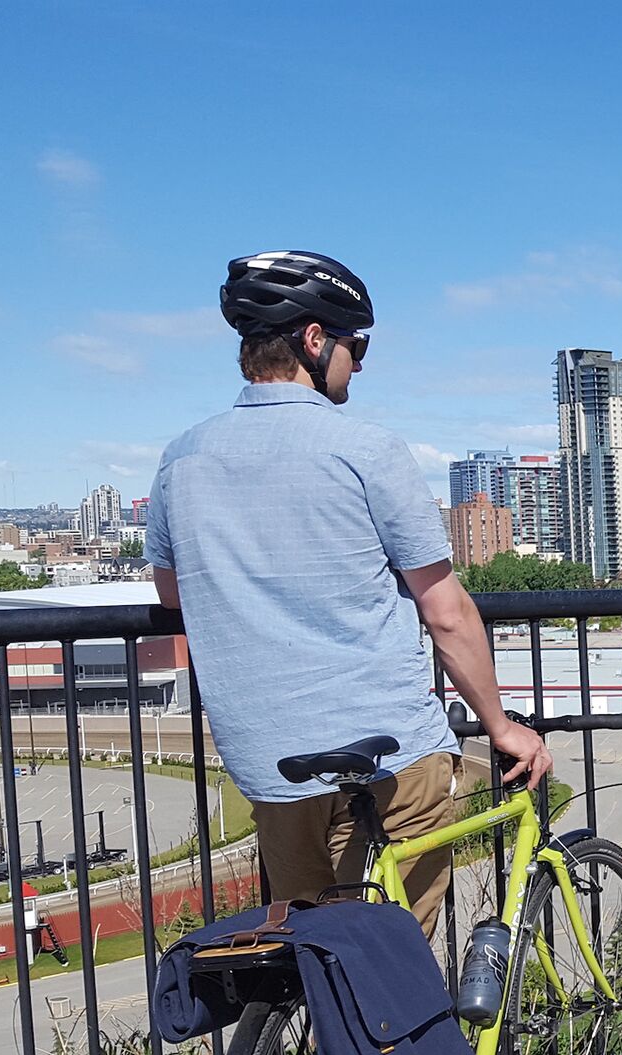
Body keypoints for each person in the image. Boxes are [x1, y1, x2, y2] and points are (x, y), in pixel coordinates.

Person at [146, 250, 550, 940]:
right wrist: (500, 726)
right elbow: (444, 610)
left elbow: (173, 592)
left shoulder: (182, 458)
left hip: (269, 761)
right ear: (313, 340)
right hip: (389, 753)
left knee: (315, 959)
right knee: (395, 969)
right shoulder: (365, 450)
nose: (358, 364)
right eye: (354, 346)